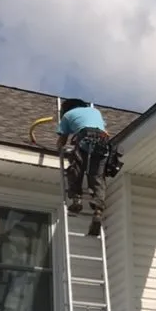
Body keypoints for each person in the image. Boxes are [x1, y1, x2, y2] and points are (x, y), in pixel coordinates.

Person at [56, 98, 112, 236]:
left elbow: (62, 140)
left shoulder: (67, 115)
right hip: (103, 142)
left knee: (76, 169)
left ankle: (77, 200)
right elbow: (106, 131)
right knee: (97, 176)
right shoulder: (95, 111)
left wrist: (59, 148)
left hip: (85, 137)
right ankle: (98, 210)